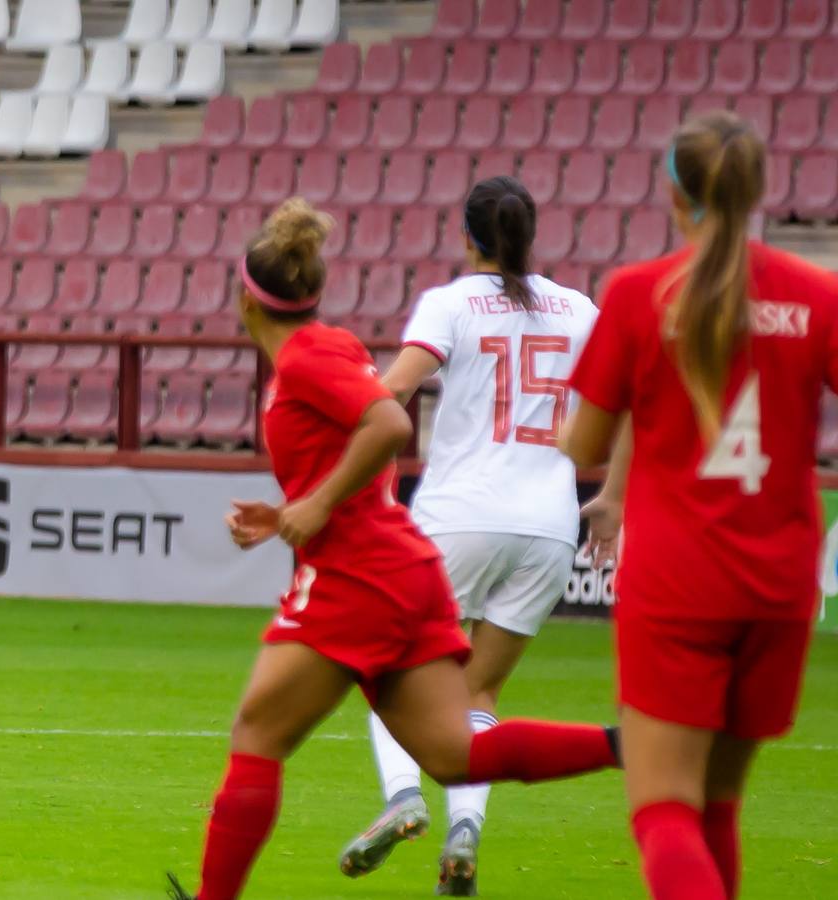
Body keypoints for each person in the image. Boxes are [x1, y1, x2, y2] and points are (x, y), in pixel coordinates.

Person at [167, 199, 620, 900]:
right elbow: (361, 438)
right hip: (410, 560)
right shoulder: (332, 347)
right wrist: (300, 505)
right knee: (455, 752)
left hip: (362, 572)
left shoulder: (310, 356)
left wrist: (315, 506)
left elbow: (385, 424)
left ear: (244, 299)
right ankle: (631, 745)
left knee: (257, 732)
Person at [561, 112, 838, 900]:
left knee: (663, 811)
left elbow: (583, 447)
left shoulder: (640, 293)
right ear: (757, 195)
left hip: (679, 584)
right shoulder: (817, 296)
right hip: (780, 585)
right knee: (717, 807)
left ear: (673, 195)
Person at [339, 176, 599, 895]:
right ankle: (465, 834)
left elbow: (393, 391)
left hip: (457, 517)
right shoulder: (580, 309)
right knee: (478, 690)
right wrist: (615, 497)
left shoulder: (449, 303)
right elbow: (626, 394)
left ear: (466, 236)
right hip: (550, 525)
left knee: (381, 666)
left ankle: (403, 798)